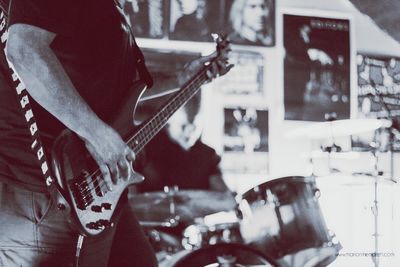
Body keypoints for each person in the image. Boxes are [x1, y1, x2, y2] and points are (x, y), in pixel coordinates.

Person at [0, 0, 231, 266]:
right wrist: (96, 134)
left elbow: (122, 91)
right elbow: (24, 50)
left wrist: (181, 78)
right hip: (41, 188)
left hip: (90, 182)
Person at [136, 92, 228, 192]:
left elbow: (223, 194)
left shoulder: (209, 155)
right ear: (166, 123)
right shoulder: (145, 147)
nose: (189, 131)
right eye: (182, 125)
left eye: (194, 125)